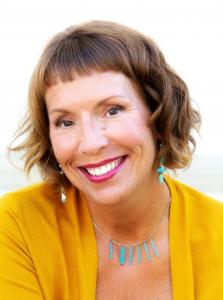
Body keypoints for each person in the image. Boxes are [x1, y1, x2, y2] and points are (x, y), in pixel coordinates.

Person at [0, 20, 222, 300]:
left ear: (159, 114)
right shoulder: (18, 225)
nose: (91, 143)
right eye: (65, 122)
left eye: (113, 110)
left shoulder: (218, 233)